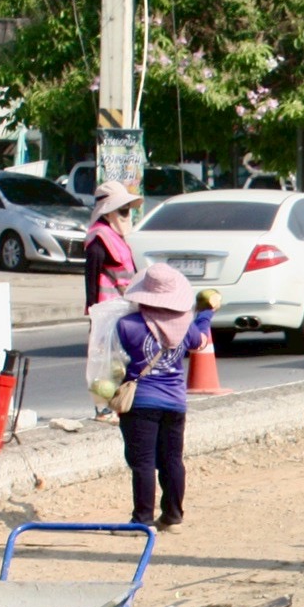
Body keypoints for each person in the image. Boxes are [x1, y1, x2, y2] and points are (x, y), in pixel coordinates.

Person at [113, 264, 206, 529]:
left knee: (143, 462)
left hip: (141, 401)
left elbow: (114, 362)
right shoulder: (186, 326)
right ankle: (173, 516)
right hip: (175, 402)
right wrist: (206, 315)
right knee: (172, 460)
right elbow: (200, 342)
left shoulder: (128, 325)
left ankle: (142, 519)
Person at [85, 181, 142, 309]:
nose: (126, 215)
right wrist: (93, 309)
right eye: (122, 210)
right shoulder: (99, 236)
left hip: (123, 304)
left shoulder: (115, 234)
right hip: (108, 307)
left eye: (127, 209)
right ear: (107, 212)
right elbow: (92, 278)